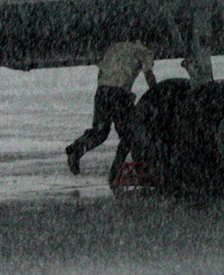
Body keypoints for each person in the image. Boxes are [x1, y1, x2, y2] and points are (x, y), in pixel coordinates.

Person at [65, 41, 157, 181]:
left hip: (102, 91)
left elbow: (101, 72)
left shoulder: (114, 46)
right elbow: (148, 74)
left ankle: (76, 149)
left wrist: (109, 89)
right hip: (119, 94)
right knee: (130, 135)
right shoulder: (144, 51)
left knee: (100, 132)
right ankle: (119, 171)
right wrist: (157, 93)